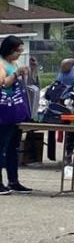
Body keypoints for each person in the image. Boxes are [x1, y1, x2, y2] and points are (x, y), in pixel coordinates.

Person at [0, 36, 31, 195]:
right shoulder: (1, 63)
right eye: (18, 50)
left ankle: (13, 180)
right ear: (10, 50)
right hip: (4, 109)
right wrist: (15, 74)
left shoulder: (14, 63)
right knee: (2, 146)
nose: (20, 54)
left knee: (13, 146)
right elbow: (3, 83)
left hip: (15, 110)